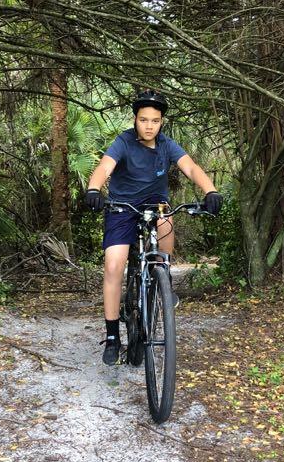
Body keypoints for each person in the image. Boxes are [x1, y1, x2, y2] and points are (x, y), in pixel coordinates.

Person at [85, 90, 223, 366]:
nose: (149, 125)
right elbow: (104, 167)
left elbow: (191, 167)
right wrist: (93, 188)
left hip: (154, 202)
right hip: (122, 205)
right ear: (135, 120)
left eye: (155, 121)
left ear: (162, 123)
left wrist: (210, 190)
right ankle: (113, 336)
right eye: (144, 119)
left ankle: (163, 276)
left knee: (166, 220)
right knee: (114, 265)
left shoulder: (167, 145)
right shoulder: (123, 142)